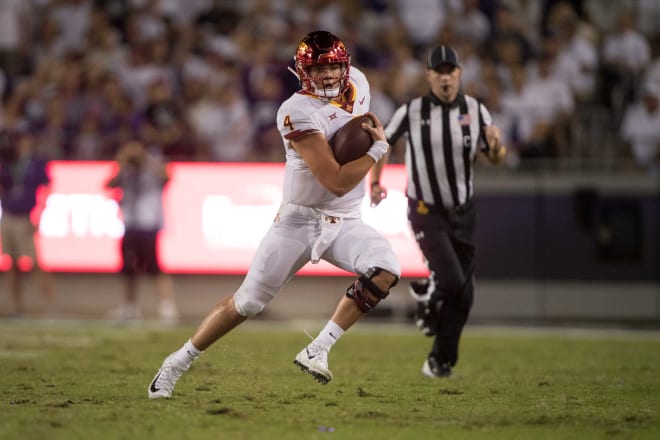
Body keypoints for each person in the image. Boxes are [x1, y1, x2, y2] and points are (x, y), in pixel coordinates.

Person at [147, 30, 400, 399]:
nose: (328, 76)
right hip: (299, 220)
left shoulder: (358, 82)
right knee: (247, 302)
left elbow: (372, 134)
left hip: (345, 221)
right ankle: (176, 362)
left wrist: (376, 177)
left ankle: (319, 348)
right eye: (317, 69)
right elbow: (336, 180)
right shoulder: (296, 111)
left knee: (385, 270)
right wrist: (377, 153)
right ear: (302, 71)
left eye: (333, 67)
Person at [370, 45, 506, 378]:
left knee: (464, 294)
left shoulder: (475, 110)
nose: (446, 77)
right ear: (429, 75)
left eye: (451, 71)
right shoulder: (413, 110)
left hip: (463, 212)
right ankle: (430, 294)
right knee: (454, 281)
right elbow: (383, 142)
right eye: (439, 71)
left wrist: (498, 144)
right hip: (425, 209)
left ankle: (439, 360)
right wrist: (375, 182)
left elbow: (496, 157)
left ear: (459, 74)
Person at [105, 140, 179, 322]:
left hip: (148, 224)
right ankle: (130, 307)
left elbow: (166, 177)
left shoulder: (152, 167)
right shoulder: (127, 170)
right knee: (128, 269)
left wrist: (145, 160)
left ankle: (167, 306)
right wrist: (122, 162)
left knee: (155, 267)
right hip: (130, 224)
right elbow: (109, 184)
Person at [0, 127, 54, 317]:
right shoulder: (7, 161)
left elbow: (47, 187)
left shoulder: (36, 163)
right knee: (11, 264)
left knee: (36, 263)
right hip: (8, 215)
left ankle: (49, 305)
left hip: (25, 217)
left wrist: (39, 214)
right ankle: (16, 306)